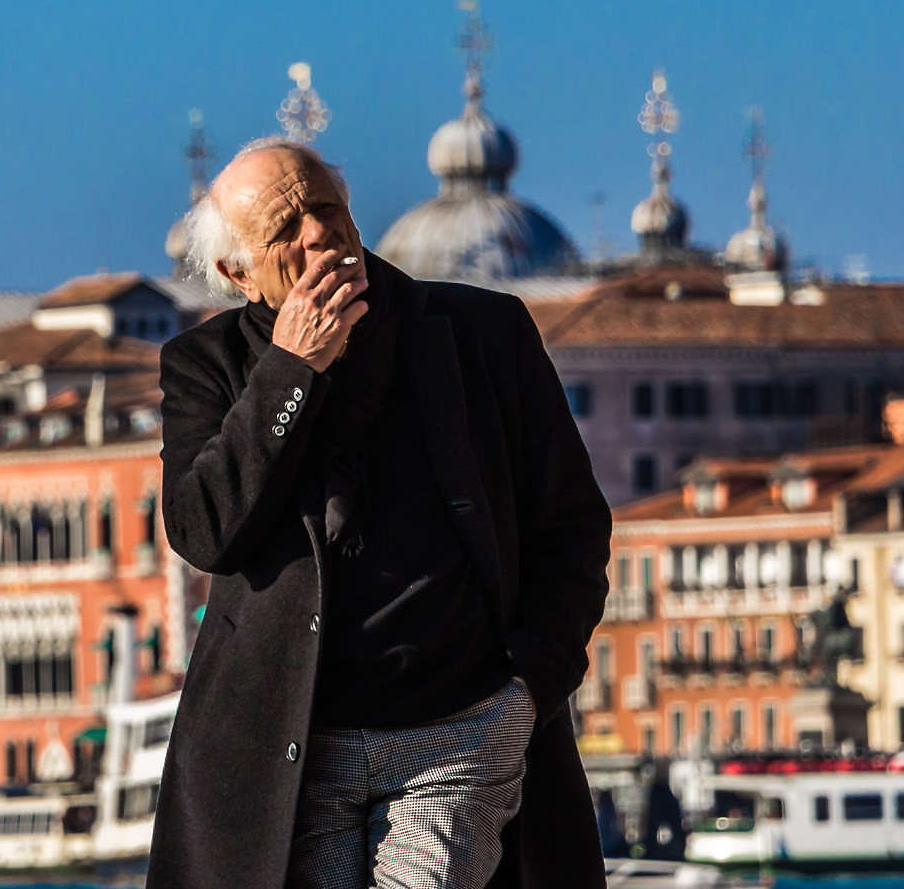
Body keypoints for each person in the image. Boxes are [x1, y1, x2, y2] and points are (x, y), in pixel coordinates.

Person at [149, 137, 611, 889]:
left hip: (460, 727)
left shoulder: (486, 333)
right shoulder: (205, 367)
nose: (319, 234)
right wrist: (292, 370)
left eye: (327, 208)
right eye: (286, 230)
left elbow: (573, 526)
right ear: (240, 274)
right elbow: (205, 532)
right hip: (290, 755)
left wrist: (526, 689)